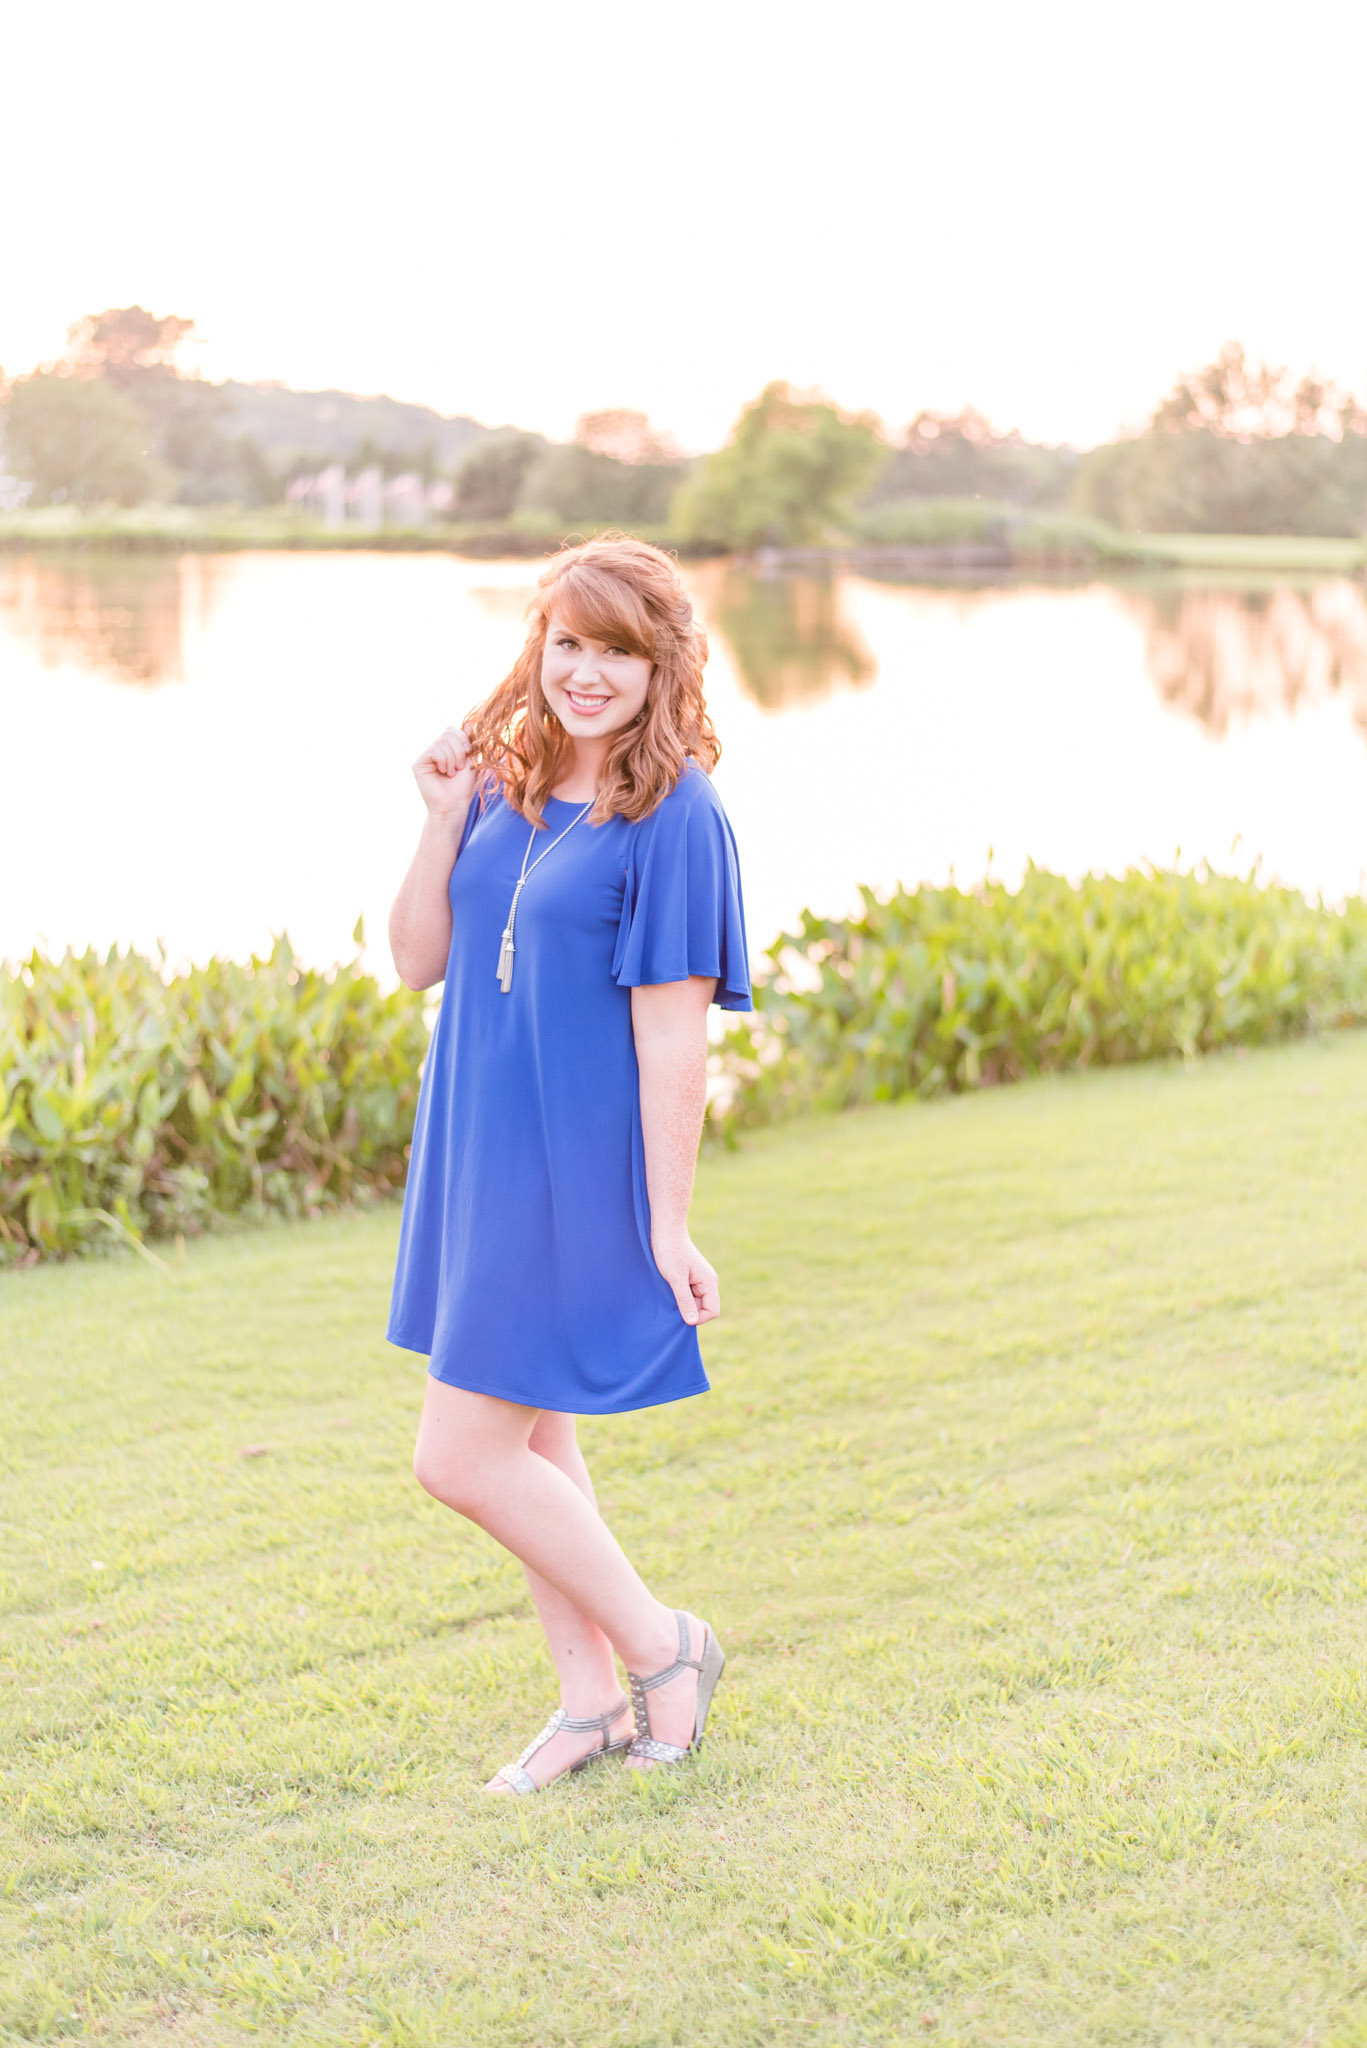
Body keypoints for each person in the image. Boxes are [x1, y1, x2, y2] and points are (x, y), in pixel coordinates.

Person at [386, 534, 751, 1793]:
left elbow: (672, 1043)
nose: (585, 673)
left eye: (616, 651)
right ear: (536, 645)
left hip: (573, 1165)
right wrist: (440, 823)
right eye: (566, 642)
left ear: (662, 669)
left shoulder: (677, 814)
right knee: (531, 1436)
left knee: (459, 1455)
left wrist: (665, 1224)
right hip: (476, 1150)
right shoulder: (503, 780)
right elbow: (417, 960)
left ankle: (665, 1646)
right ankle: (591, 1701)